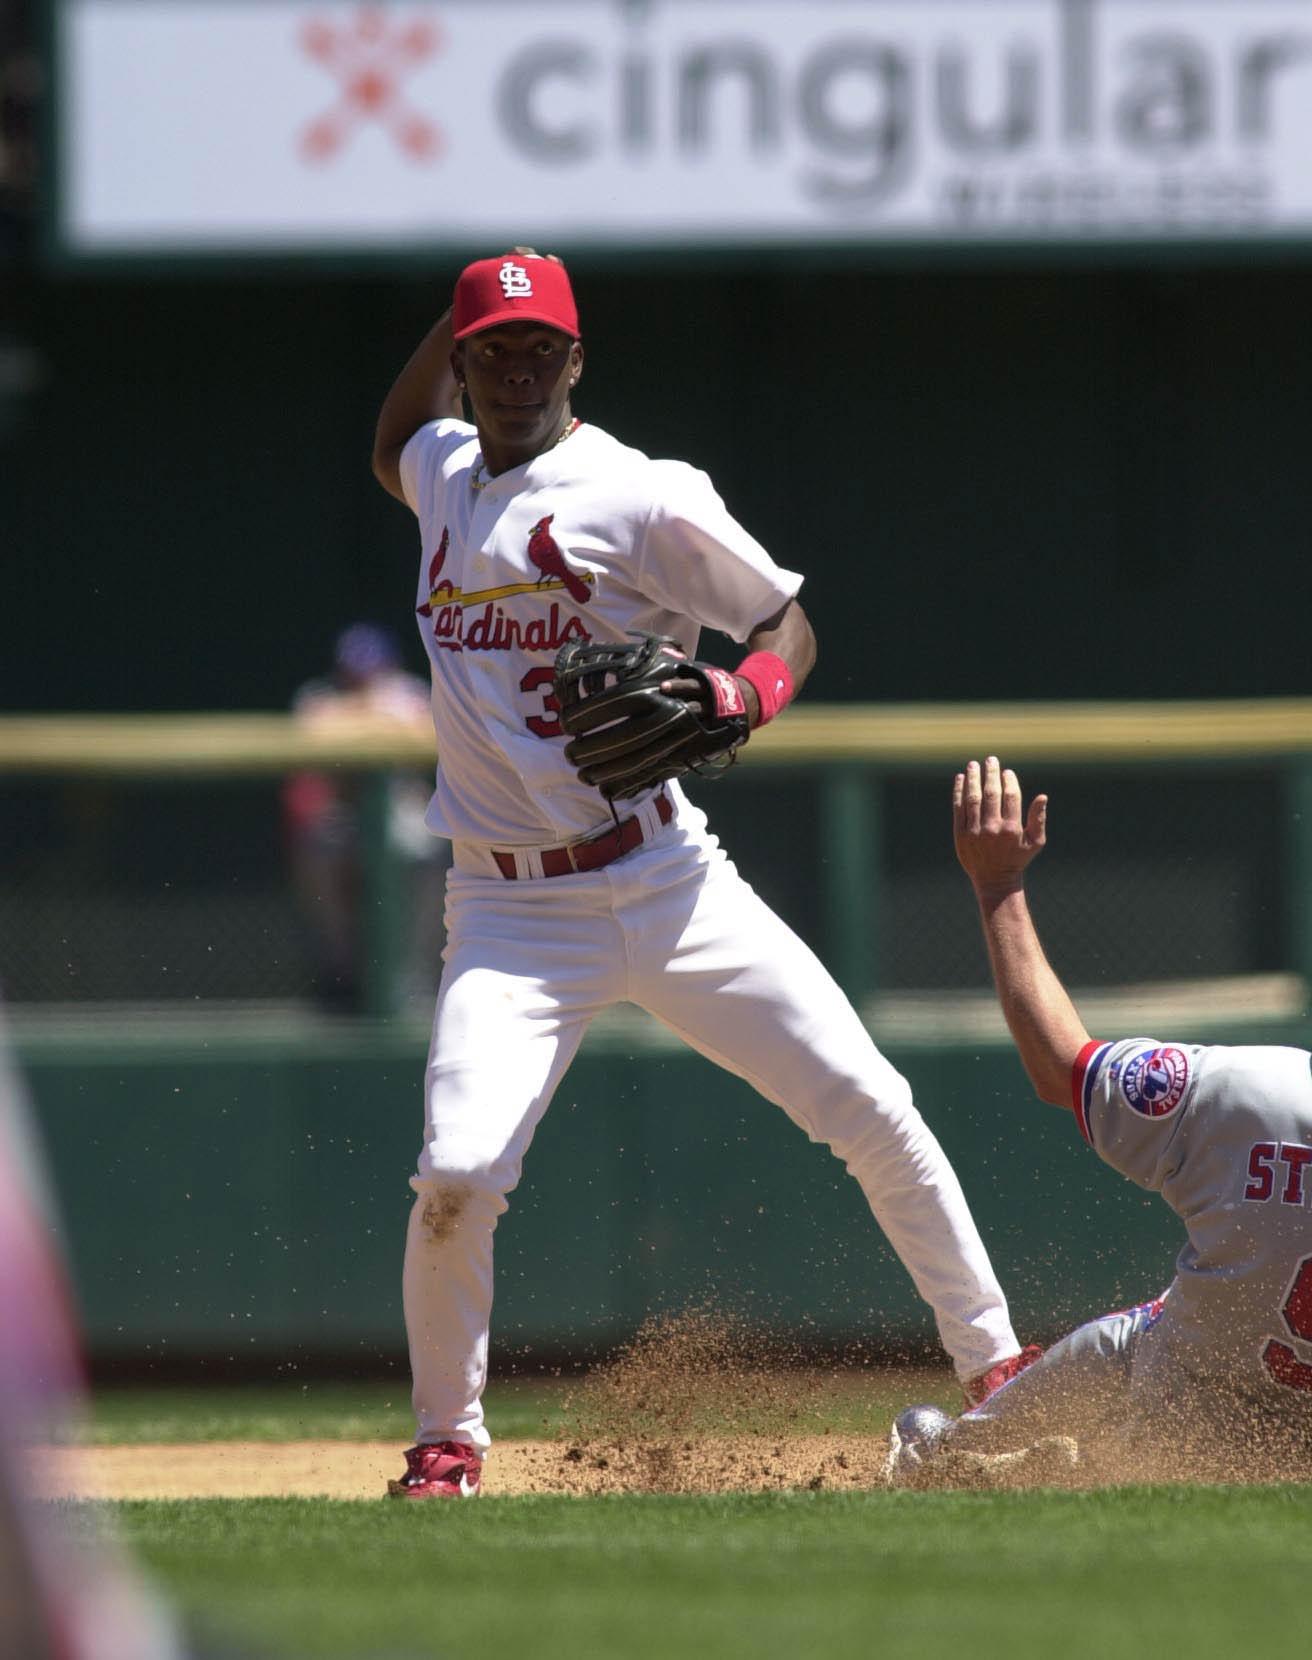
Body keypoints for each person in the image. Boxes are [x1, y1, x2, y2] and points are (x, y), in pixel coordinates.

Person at [370, 249, 1031, 1499]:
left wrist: (742, 690)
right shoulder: (445, 472)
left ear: (578, 360)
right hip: (507, 911)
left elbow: (789, 619)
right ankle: (446, 1440)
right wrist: (461, 308)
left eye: (541, 349)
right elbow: (395, 434)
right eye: (494, 349)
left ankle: (997, 1368)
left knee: (868, 1102)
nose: (519, 369)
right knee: (457, 1175)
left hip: (664, 874)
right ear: (463, 363)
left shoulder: (641, 494)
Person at [888, 757, 1312, 1486]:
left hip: (1189, 1421)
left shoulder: (1255, 1094)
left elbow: (1060, 1066)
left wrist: (998, 887)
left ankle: (956, 1459)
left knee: (1143, 1338)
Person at [282, 622, 444, 1013]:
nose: (362, 682)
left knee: (427, 851)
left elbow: (419, 732)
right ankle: (341, 970)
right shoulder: (317, 697)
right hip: (342, 812)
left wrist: (358, 717)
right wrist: (369, 715)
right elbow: (310, 746)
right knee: (316, 852)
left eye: (370, 672)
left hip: (400, 808)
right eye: (354, 673)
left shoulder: (410, 693)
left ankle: (413, 973)